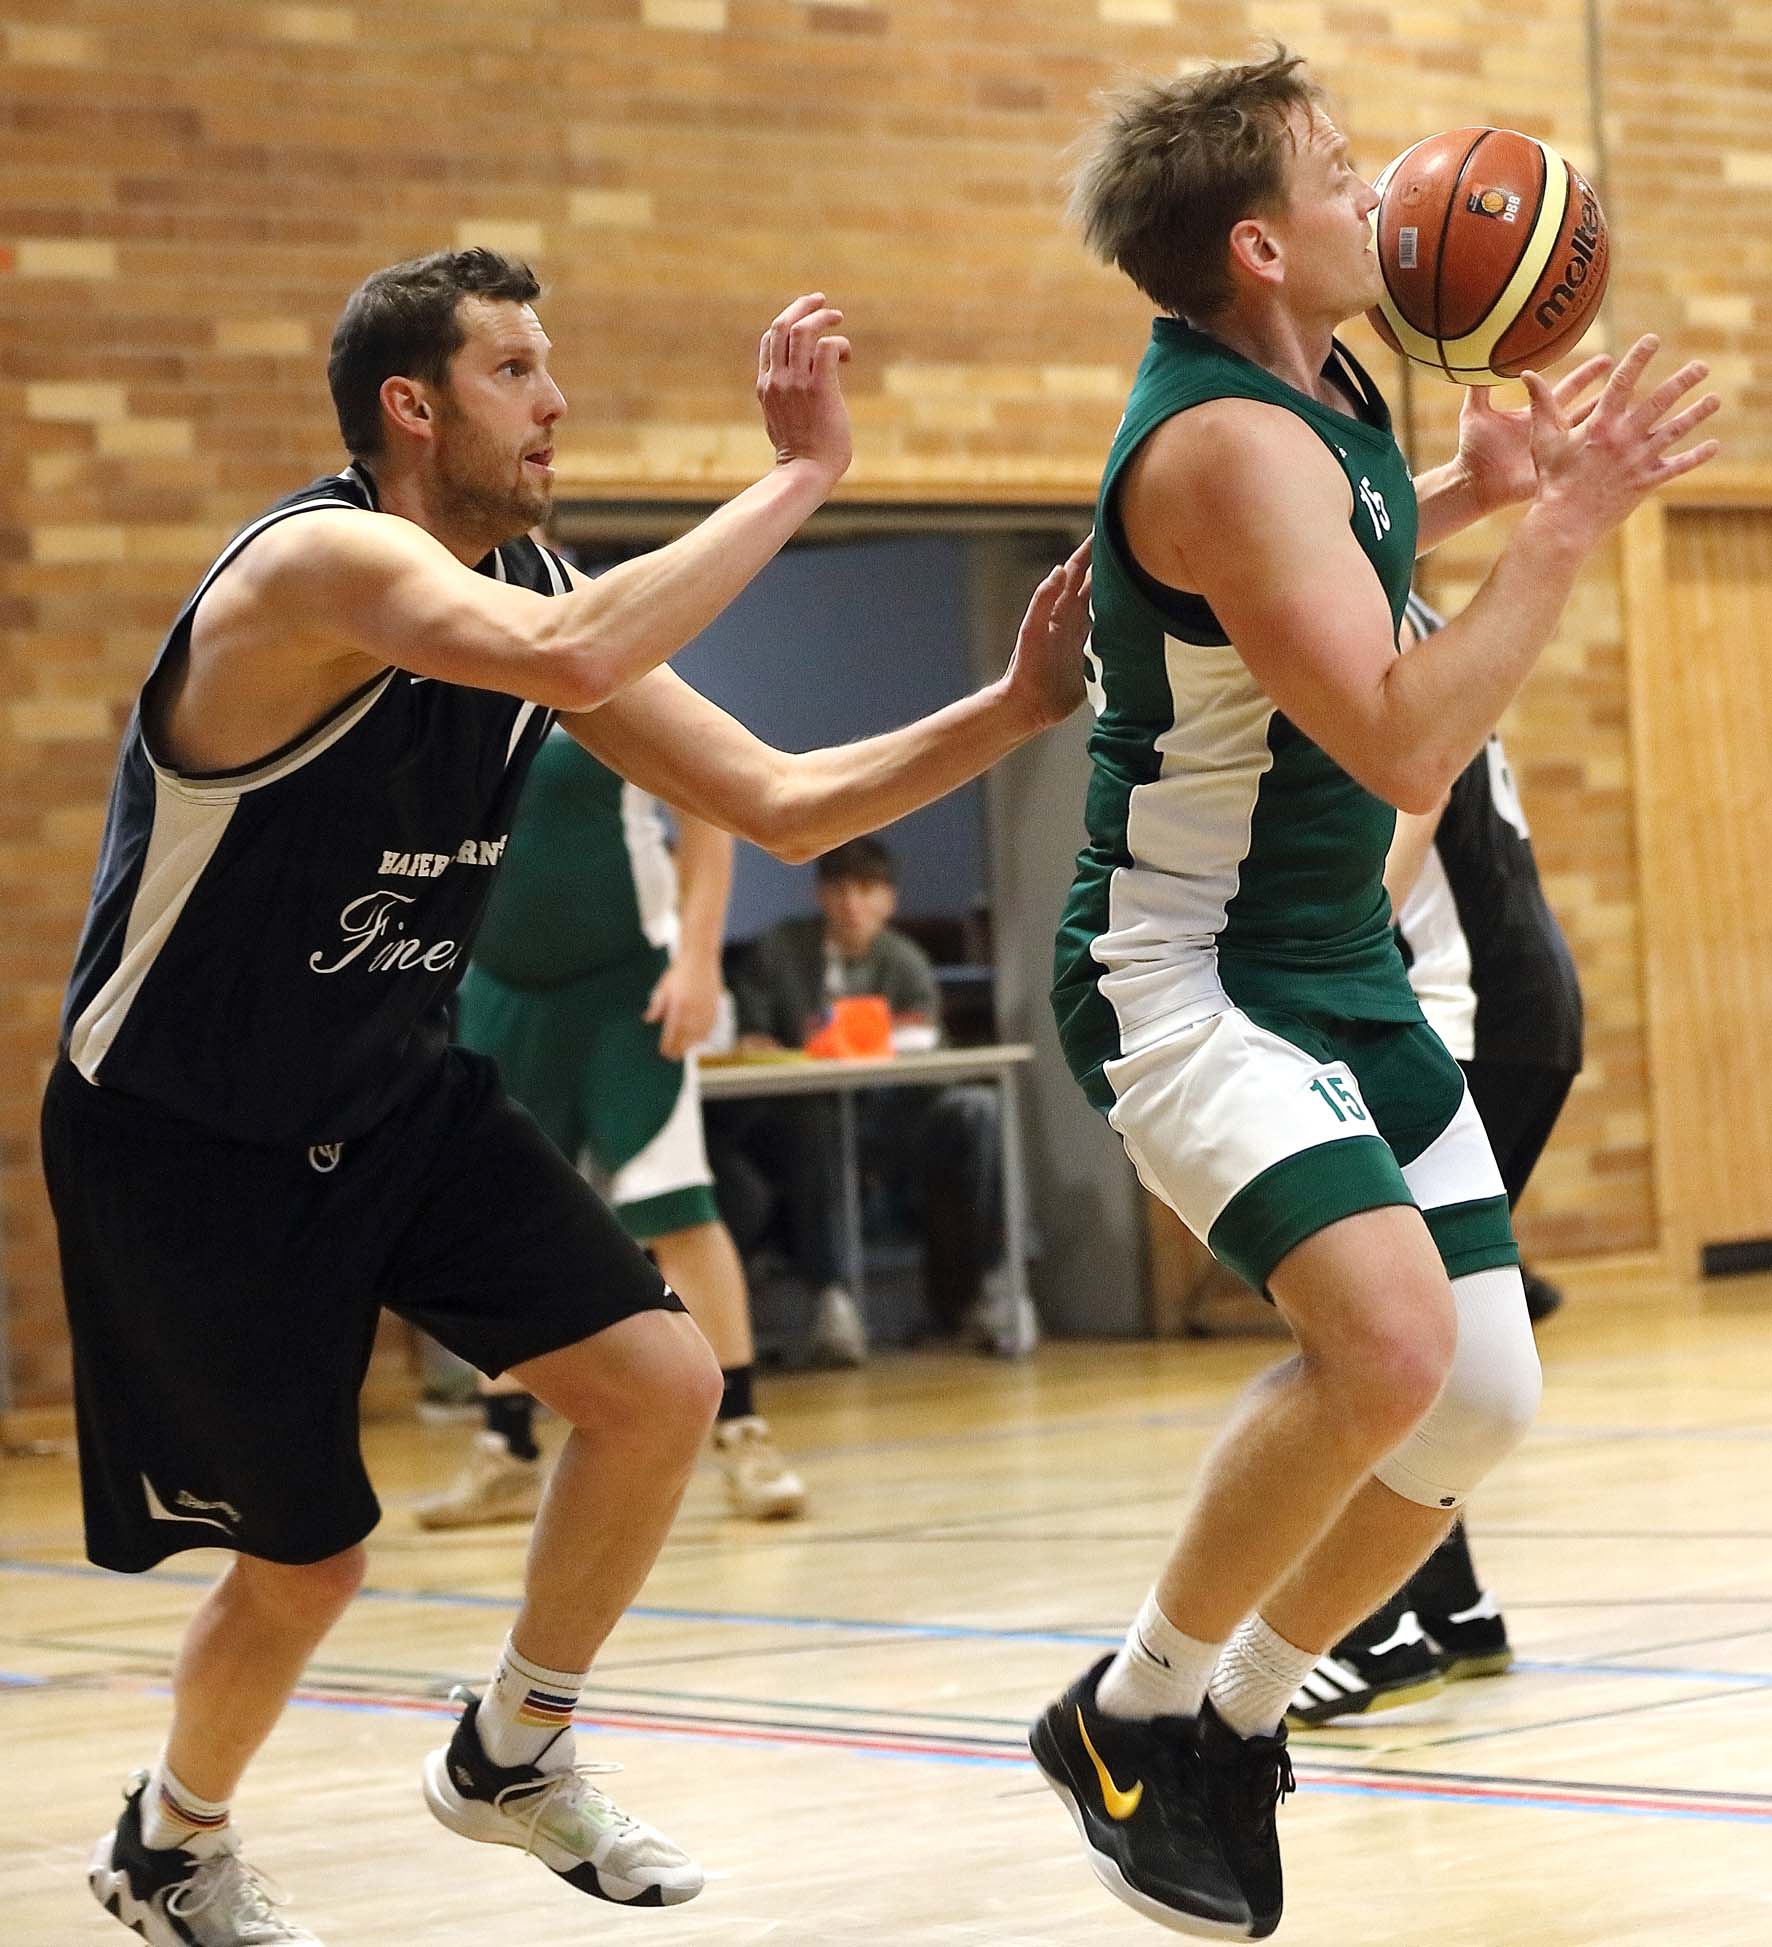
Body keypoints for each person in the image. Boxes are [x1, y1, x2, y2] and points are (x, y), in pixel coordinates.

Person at [45, 247, 1091, 1944]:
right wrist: (802, 475)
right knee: (309, 1562)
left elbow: (782, 800)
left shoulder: (532, 584)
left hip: (392, 1092)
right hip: (188, 1129)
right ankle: (169, 1845)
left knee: (663, 1387)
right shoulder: (320, 564)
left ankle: (513, 1748)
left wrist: (1018, 705)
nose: (556, 401)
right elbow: (578, 653)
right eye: (515, 371)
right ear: (412, 405)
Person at [1028, 49, 1717, 1941]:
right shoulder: (1223, 444)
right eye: (1337, 171)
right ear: (1258, 246)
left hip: (1327, 959)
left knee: (1478, 1394)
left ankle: (1237, 1717)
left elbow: (1332, 552)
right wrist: (1565, 522)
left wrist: (1466, 490)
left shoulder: (1313, 388)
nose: (1380, 188)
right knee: (1394, 1348)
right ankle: (1128, 1710)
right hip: (1187, 967)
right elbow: (1406, 734)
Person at [1289, 589, 1585, 1723]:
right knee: (1429, 1326)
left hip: (1455, 1014)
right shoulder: (1392, 600)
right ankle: (1453, 1607)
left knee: (1376, 1331)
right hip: (1513, 1004)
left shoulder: (1363, 611)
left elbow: (1417, 790)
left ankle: (1377, 1629)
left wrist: (1319, 949)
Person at [414, 724, 807, 1529]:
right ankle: (506, 1446)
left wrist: (698, 960)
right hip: (501, 987)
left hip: (628, 984)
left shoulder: (608, 681)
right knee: (499, 1223)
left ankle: (743, 1430)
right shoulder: (447, 696)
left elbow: (707, 814)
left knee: (676, 1204)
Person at [712, 834, 1024, 1365]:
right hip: (800, 1121)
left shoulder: (905, 962)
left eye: (866, 890)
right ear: (821, 896)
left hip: (892, 1116)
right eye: (840, 890)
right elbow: (751, 1038)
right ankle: (833, 1300)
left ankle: (996, 1288)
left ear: (889, 900)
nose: (852, 905)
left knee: (977, 1110)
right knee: (816, 1115)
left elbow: (930, 1050)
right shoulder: (780, 952)